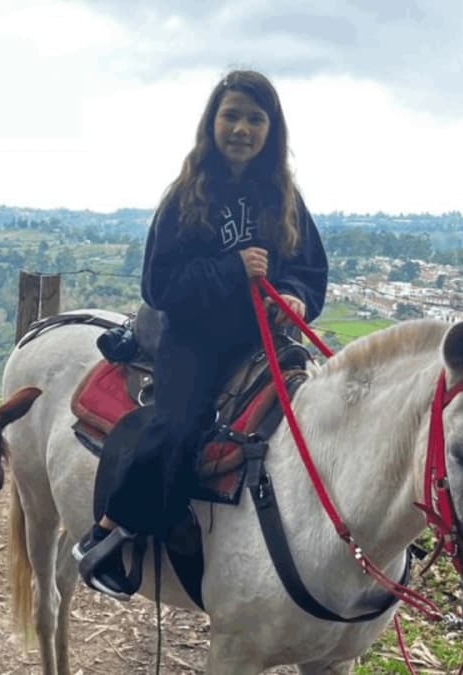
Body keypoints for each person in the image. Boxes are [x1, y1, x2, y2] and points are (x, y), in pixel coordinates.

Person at [73, 69, 329, 600]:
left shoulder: (283, 195)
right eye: (231, 115)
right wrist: (232, 268)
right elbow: (159, 283)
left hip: (264, 341)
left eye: (255, 118)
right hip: (196, 340)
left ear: (271, 129)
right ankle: (110, 533)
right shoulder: (188, 195)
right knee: (177, 427)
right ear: (212, 122)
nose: (242, 128)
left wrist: (298, 296)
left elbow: (308, 268)